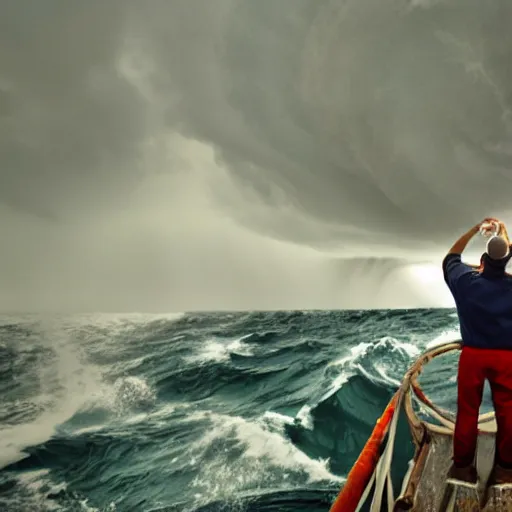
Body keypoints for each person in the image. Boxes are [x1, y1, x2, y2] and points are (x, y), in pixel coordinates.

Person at [443, 217, 512, 487]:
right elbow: (499, 263)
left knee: (468, 411)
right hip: (507, 357)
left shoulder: (466, 283)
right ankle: (506, 470)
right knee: (508, 412)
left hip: (473, 355)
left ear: (482, 260)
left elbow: (451, 257)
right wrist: (504, 235)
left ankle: (462, 469)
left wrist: (474, 229)